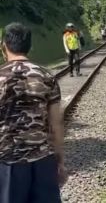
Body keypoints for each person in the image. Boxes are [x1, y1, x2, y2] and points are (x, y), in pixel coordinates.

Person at [0, 22, 66, 203]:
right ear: (30, 46)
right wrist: (59, 161)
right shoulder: (46, 76)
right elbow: (56, 124)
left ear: (3, 45)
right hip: (43, 161)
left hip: (8, 162)